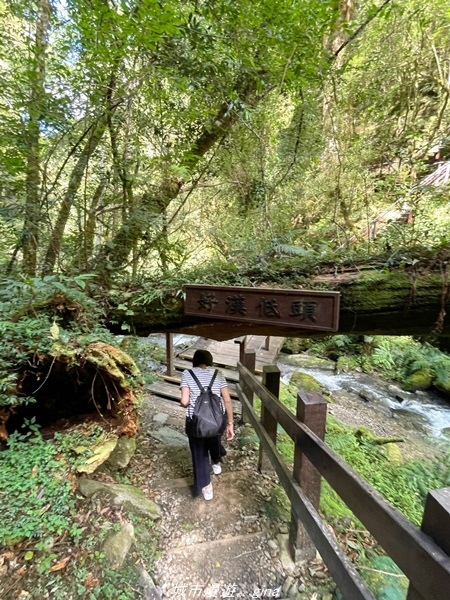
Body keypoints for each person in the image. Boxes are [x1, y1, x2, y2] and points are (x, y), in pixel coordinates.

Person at [180, 349, 234, 500]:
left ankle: (207, 487)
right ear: (210, 361)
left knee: (199, 452)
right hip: (217, 420)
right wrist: (230, 424)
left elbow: (185, 401)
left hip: (196, 423)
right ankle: (216, 462)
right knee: (214, 438)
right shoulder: (218, 374)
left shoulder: (187, 374)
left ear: (195, 361)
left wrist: (185, 403)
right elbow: (228, 400)